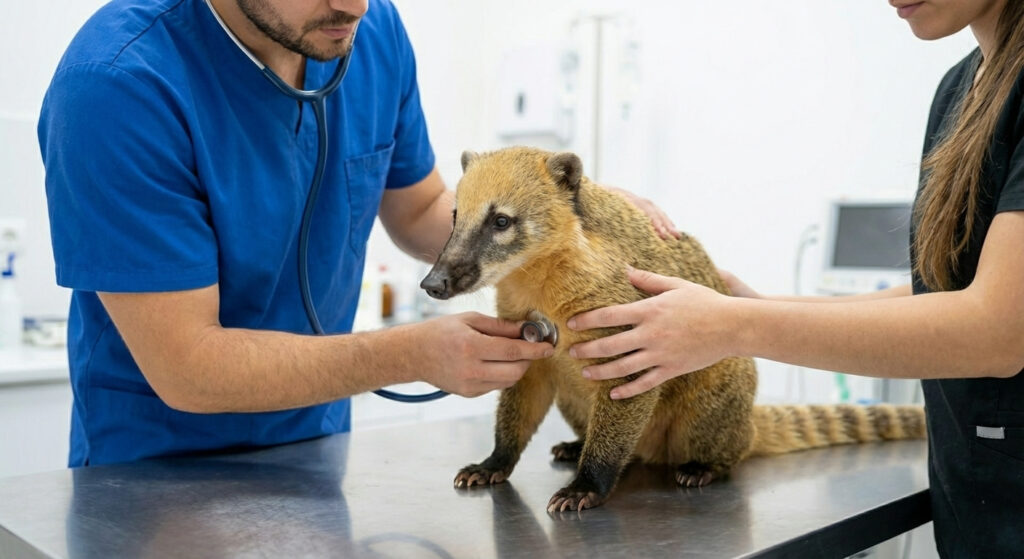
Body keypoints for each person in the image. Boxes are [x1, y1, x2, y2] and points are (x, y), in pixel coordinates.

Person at [37, 0, 676, 469]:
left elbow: (424, 207)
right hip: (154, 474)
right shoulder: (118, 88)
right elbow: (188, 368)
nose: (354, 6)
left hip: (319, 448)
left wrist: (555, 235)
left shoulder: (367, 33)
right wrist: (407, 354)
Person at [568, 0, 1024, 556]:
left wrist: (734, 326)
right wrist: (754, 304)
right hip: (977, 502)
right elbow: (947, 292)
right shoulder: (962, 86)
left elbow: (997, 330)